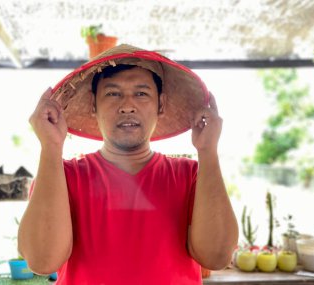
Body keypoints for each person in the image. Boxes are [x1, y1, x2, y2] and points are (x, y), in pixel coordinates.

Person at [18, 44, 238, 285]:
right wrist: (50, 146)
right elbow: (42, 262)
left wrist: (208, 151)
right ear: (94, 104)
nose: (127, 105)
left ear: (160, 105)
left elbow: (216, 256)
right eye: (113, 93)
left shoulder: (191, 175)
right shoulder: (63, 177)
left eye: (141, 93)